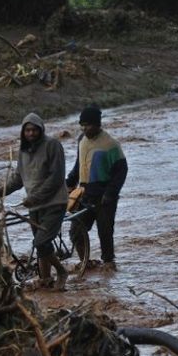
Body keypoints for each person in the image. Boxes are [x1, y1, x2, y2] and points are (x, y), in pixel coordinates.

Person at [0, 113, 69, 290]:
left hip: (54, 203)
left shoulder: (53, 146)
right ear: (23, 132)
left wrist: (35, 197)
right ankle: (46, 280)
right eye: (27, 130)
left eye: (34, 130)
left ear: (41, 130)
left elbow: (56, 177)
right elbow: (18, 179)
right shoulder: (23, 151)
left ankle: (62, 272)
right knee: (42, 245)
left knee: (41, 242)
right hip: (35, 205)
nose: (31, 133)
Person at [66, 105, 127, 270]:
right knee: (76, 231)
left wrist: (111, 193)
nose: (85, 129)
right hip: (84, 194)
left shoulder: (110, 144)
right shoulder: (81, 141)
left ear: (98, 124)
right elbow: (79, 165)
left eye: (88, 125)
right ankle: (85, 262)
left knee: (105, 231)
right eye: (83, 125)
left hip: (104, 196)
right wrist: (69, 183)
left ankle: (108, 263)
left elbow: (121, 171)